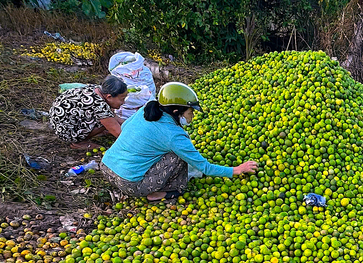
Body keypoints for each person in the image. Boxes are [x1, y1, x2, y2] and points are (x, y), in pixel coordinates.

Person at [100, 82, 258, 202]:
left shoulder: (147, 109)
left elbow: (126, 126)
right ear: (176, 111)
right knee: (179, 156)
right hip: (131, 184)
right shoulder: (174, 136)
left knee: (165, 151)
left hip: (106, 167)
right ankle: (160, 193)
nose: (192, 117)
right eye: (190, 112)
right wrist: (237, 169)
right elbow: (204, 167)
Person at [49, 76, 127, 150]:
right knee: (105, 122)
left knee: (108, 117)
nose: (123, 102)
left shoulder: (96, 89)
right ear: (109, 97)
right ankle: (78, 142)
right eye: (122, 99)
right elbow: (117, 132)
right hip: (66, 130)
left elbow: (114, 117)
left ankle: (94, 131)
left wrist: (129, 124)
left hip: (60, 120)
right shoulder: (99, 105)